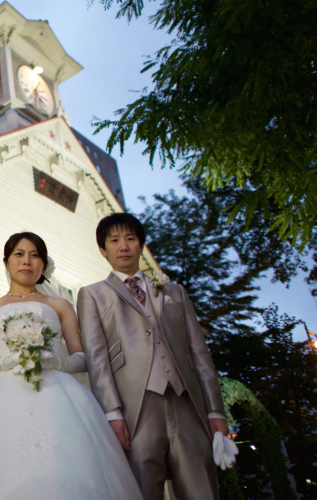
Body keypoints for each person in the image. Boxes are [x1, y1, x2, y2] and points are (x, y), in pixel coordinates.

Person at [0, 232, 143, 500]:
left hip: (58, 393)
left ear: (43, 264)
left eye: (35, 256)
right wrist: (6, 361)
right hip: (1, 397)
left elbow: (81, 359)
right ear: (6, 261)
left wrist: (55, 360)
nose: (26, 262)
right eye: (19, 254)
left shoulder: (60, 305)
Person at [77, 212, 229, 500]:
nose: (123, 246)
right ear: (102, 250)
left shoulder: (175, 292)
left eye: (131, 239)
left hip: (187, 401)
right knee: (141, 488)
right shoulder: (93, 295)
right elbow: (97, 359)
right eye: (115, 240)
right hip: (135, 407)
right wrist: (111, 413)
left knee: (202, 488)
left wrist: (215, 410)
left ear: (141, 245)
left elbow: (199, 352)